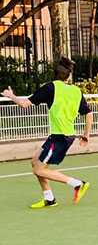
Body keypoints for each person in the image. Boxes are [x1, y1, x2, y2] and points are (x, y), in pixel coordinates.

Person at [3, 57, 92, 208]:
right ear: (69, 75)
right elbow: (89, 114)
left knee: (38, 169)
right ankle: (49, 198)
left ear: (55, 74)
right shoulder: (76, 91)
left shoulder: (50, 88)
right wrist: (86, 134)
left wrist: (11, 96)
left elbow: (24, 104)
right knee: (35, 162)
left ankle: (77, 184)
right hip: (62, 135)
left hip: (60, 137)